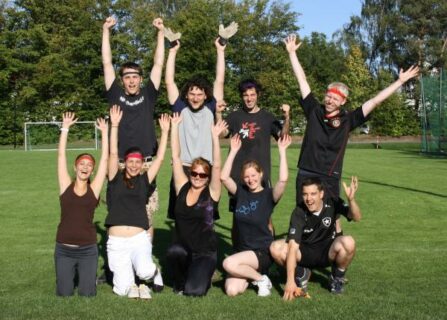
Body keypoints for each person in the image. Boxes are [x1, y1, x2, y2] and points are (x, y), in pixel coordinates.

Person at [284, 34, 419, 203]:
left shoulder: (348, 119)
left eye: (335, 98)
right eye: (328, 96)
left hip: (329, 175)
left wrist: (399, 82)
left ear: (343, 101)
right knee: (303, 215)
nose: (330, 100)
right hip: (307, 171)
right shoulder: (314, 110)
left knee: (331, 218)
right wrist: (292, 54)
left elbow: (375, 101)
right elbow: (302, 80)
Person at [102, 16, 165, 238]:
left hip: (146, 165)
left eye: (135, 77)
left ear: (140, 79)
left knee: (146, 215)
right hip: (118, 164)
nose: (131, 81)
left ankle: (144, 266)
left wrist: (160, 32)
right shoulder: (115, 95)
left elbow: (158, 64)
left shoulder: (149, 94)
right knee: (118, 213)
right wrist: (106, 31)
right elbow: (107, 63)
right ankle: (116, 268)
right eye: (127, 77)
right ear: (122, 80)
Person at [105, 105, 169, 299]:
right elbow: (113, 154)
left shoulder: (144, 181)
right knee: (122, 290)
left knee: (145, 272)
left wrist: (165, 132)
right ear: (125, 163)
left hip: (138, 239)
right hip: (116, 241)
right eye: (131, 161)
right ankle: (134, 285)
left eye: (137, 162)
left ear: (142, 164)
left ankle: (154, 274)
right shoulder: (114, 179)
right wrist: (114, 125)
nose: (134, 165)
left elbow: (159, 159)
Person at [220, 133, 292, 297]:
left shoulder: (269, 195)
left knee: (228, 262)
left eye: (253, 175)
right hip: (242, 252)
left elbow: (283, 181)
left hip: (262, 252)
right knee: (232, 290)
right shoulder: (240, 193)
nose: (250, 179)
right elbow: (223, 177)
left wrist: (282, 151)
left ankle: (261, 278)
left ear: (261, 175)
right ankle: (259, 278)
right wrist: (233, 151)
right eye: (246, 176)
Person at [165, 35, 227, 218]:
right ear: (187, 95)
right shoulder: (180, 107)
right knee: (181, 217)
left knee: (206, 219)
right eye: (192, 93)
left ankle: (204, 247)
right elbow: (169, 81)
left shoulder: (211, 106)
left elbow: (220, 81)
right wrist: (173, 52)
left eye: (199, 94)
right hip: (183, 168)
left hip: (205, 170)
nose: (195, 97)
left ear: (206, 95)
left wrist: (220, 51)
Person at [270, 176, 362, 299]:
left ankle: (337, 278)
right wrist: (290, 281)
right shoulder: (299, 212)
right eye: (305, 194)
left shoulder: (333, 203)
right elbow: (292, 247)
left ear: (321, 194)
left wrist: (351, 200)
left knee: (349, 242)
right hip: (305, 254)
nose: (309, 199)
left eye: (313, 194)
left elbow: (356, 217)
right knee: (275, 248)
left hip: (327, 253)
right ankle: (301, 273)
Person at [166, 113, 227, 296]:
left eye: (202, 175)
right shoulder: (182, 187)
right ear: (190, 173)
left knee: (195, 291)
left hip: (204, 253)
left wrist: (215, 138)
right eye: (194, 173)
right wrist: (175, 127)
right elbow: (176, 158)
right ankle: (180, 281)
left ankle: (203, 276)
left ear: (207, 178)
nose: (198, 178)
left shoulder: (212, 192)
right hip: (183, 250)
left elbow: (216, 166)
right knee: (173, 251)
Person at [55, 112, 109, 297]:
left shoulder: (94, 189)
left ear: (92, 170)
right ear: (75, 167)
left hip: (88, 249)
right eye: (82, 164)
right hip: (64, 249)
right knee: (64, 294)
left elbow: (105, 161)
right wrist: (65, 128)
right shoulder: (65, 186)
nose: (85, 167)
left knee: (87, 293)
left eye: (89, 165)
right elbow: (61, 156)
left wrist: (105, 133)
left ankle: (88, 278)